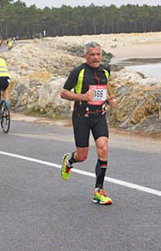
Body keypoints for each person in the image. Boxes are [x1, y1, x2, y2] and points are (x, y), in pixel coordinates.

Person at [60, 42, 117, 205]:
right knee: (82, 156)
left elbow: (104, 88)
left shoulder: (105, 71)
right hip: (81, 117)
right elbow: (63, 93)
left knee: (103, 147)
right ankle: (70, 161)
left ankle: (99, 190)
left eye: (98, 54)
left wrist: (109, 98)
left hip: (99, 116)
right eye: (92, 54)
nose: (96, 57)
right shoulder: (78, 72)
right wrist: (83, 97)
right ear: (85, 56)